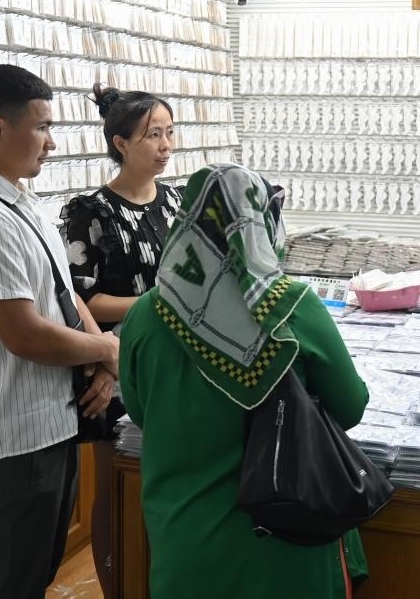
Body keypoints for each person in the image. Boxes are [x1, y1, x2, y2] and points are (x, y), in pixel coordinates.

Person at [119, 163, 370, 598]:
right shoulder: (291, 307)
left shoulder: (147, 312)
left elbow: (141, 411)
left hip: (184, 541)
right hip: (281, 540)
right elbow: (350, 407)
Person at [0, 65, 120, 599]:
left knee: (33, 577)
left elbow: (67, 297)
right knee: (11, 585)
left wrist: (103, 362)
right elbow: (25, 334)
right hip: (12, 444)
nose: (51, 142)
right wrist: (109, 347)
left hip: (51, 426)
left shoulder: (25, 206)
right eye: (42, 127)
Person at [59, 84, 181, 599]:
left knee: (168, 485)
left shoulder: (178, 203)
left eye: (170, 133)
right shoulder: (89, 212)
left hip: (175, 366)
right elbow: (83, 297)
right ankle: (117, 587)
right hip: (115, 365)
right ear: (121, 143)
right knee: (116, 489)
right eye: (153, 135)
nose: (165, 145)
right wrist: (160, 304)